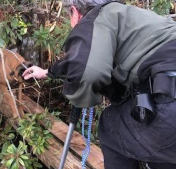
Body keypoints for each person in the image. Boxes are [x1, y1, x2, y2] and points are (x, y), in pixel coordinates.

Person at [22, 0, 176, 168]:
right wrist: (48, 72)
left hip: (169, 101)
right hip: (167, 90)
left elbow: (87, 71)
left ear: (75, 12)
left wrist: (80, 98)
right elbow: (84, 59)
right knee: (157, 145)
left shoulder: (96, 18)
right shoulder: (126, 15)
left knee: (110, 127)